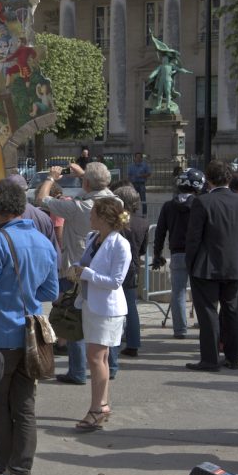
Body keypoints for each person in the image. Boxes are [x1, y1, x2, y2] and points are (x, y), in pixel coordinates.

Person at [0, 181, 58, 475]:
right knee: (25, 406)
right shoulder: (43, 241)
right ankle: (19, 471)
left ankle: (5, 469)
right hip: (32, 335)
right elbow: (51, 292)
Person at [37, 161, 115, 385]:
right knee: (104, 319)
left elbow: (42, 199)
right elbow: (103, 188)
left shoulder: (79, 207)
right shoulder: (114, 201)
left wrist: (51, 178)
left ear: (87, 183)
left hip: (78, 268)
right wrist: (85, 177)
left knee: (74, 318)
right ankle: (113, 366)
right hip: (105, 266)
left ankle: (78, 370)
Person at [68, 198, 132, 431]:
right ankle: (101, 405)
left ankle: (97, 408)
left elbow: (116, 281)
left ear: (105, 217)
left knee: (96, 358)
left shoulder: (119, 244)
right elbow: (87, 263)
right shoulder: (94, 238)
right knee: (98, 358)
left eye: (93, 213)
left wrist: (87, 274)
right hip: (90, 305)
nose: (90, 216)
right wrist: (77, 267)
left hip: (108, 309)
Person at [185, 160, 238, 372]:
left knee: (208, 313)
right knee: (233, 312)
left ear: (208, 179)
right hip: (235, 265)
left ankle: (210, 359)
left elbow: (193, 238)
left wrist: (190, 263)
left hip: (206, 266)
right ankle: (234, 357)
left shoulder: (203, 202)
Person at [153, 168, 205, 339]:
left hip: (176, 253)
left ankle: (180, 329)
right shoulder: (200, 203)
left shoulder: (169, 206)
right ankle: (203, 324)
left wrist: (157, 254)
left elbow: (160, 232)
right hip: (197, 253)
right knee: (200, 292)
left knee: (178, 293)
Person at [112, 185, 148, 359]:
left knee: (113, 306)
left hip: (117, 266)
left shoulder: (121, 220)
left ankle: (115, 341)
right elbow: (142, 249)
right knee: (131, 306)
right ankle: (133, 342)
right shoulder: (142, 221)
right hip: (133, 266)